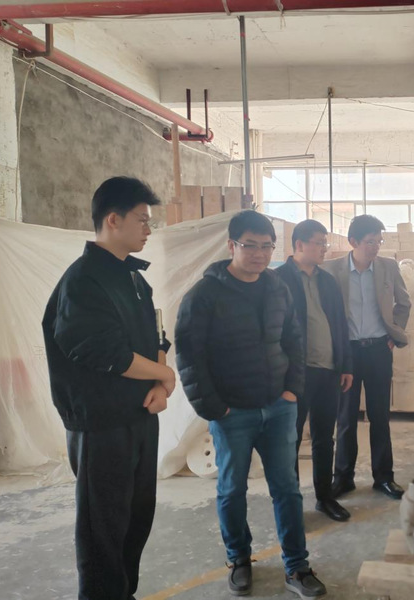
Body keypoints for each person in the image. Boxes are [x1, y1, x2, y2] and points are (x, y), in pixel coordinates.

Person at [175, 211, 326, 598]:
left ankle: (297, 566)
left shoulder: (277, 287)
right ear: (231, 246)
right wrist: (214, 408)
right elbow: (190, 357)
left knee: (287, 489)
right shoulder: (204, 295)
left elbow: (293, 339)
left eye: (266, 246)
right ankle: (239, 559)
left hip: (279, 407)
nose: (259, 254)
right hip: (232, 413)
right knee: (231, 490)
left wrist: (292, 390)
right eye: (250, 246)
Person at [42, 176, 174, 600]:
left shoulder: (133, 278)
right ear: (113, 220)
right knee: (103, 529)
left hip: (140, 415)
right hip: (101, 425)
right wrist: (167, 376)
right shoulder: (84, 280)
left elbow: (155, 336)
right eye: (142, 220)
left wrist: (160, 381)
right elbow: (102, 351)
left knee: (135, 519)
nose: (148, 229)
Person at [322, 215, 411, 500]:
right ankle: (343, 478)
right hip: (347, 353)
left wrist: (394, 334)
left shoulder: (388, 267)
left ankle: (383, 477)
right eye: (370, 242)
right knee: (346, 417)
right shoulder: (332, 270)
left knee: (380, 416)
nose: (375, 247)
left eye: (378, 241)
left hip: (378, 350)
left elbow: (404, 302)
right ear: (353, 242)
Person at [276, 220, 354, 523]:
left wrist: (345, 365)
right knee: (290, 440)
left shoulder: (328, 281)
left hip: (328, 370)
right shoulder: (278, 279)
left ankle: (325, 497)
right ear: (299, 245)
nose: (324, 248)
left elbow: (340, 324)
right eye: (319, 242)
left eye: (325, 242)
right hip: (294, 374)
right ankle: (291, 504)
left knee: (324, 437)